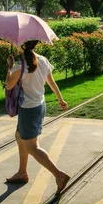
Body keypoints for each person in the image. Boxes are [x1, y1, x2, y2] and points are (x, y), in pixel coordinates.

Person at [5, 40, 70, 194]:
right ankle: (22, 172)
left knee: (32, 147)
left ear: (21, 46)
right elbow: (52, 82)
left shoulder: (19, 66)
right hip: (39, 106)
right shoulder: (43, 60)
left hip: (28, 110)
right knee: (19, 136)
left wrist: (9, 67)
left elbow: (8, 85)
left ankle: (59, 175)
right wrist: (61, 100)